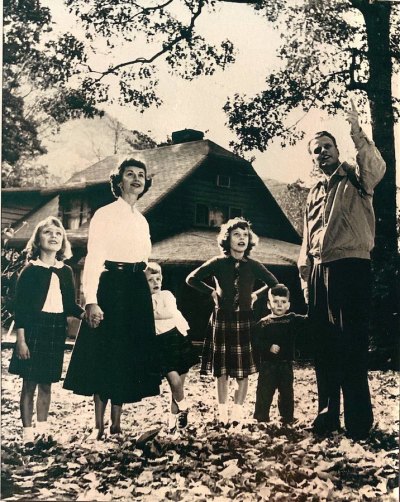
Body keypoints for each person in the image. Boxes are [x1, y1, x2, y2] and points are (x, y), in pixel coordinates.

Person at [298, 99, 386, 439]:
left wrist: (355, 130)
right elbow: (308, 239)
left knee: (351, 344)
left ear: (337, 149)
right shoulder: (313, 192)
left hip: (351, 267)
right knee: (324, 346)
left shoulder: (356, 179)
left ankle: (359, 423)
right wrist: (306, 277)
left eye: (327, 147)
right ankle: (327, 416)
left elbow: (375, 168)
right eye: (316, 150)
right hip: (320, 272)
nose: (322, 153)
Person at [64, 158, 161, 439]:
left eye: (141, 175)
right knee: (105, 353)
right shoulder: (105, 214)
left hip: (135, 289)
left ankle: (117, 424)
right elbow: (94, 258)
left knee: (127, 353)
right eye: (129, 174)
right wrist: (91, 300)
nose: (136, 179)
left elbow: (144, 260)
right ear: (118, 182)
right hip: (111, 286)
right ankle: (99, 425)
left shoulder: (142, 220)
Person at [186, 217, 278, 427]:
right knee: (223, 370)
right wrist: (211, 292)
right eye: (237, 234)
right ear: (227, 239)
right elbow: (191, 278)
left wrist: (255, 295)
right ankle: (222, 413)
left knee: (242, 370)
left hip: (245, 321)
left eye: (245, 235)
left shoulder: (254, 265)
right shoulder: (218, 262)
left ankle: (237, 412)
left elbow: (274, 283)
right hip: (222, 320)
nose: (241, 239)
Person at [9, 217, 84, 444]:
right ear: (38, 240)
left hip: (54, 330)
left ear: (63, 242)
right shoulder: (30, 271)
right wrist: (20, 341)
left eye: (58, 234)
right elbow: (20, 309)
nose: (53, 237)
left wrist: (89, 315)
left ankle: (42, 429)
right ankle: (28, 433)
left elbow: (71, 306)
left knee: (46, 383)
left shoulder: (66, 271)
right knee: (29, 383)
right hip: (32, 330)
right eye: (48, 233)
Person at [145, 262, 197, 434]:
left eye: (158, 278)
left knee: (178, 386)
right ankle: (184, 407)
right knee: (174, 381)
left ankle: (173, 421)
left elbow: (169, 313)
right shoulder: (141, 299)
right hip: (160, 344)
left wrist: (146, 313)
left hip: (176, 338)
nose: (155, 282)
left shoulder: (166, 295)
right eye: (150, 279)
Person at [253, 284, 307, 425]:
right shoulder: (263, 323)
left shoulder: (292, 319)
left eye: (283, 302)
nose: (279, 305)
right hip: (267, 365)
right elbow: (255, 341)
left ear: (288, 305)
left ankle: (287, 418)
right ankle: (261, 417)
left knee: (287, 393)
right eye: (275, 301)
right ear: (268, 304)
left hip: (286, 364)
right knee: (264, 392)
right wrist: (268, 347)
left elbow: (308, 320)